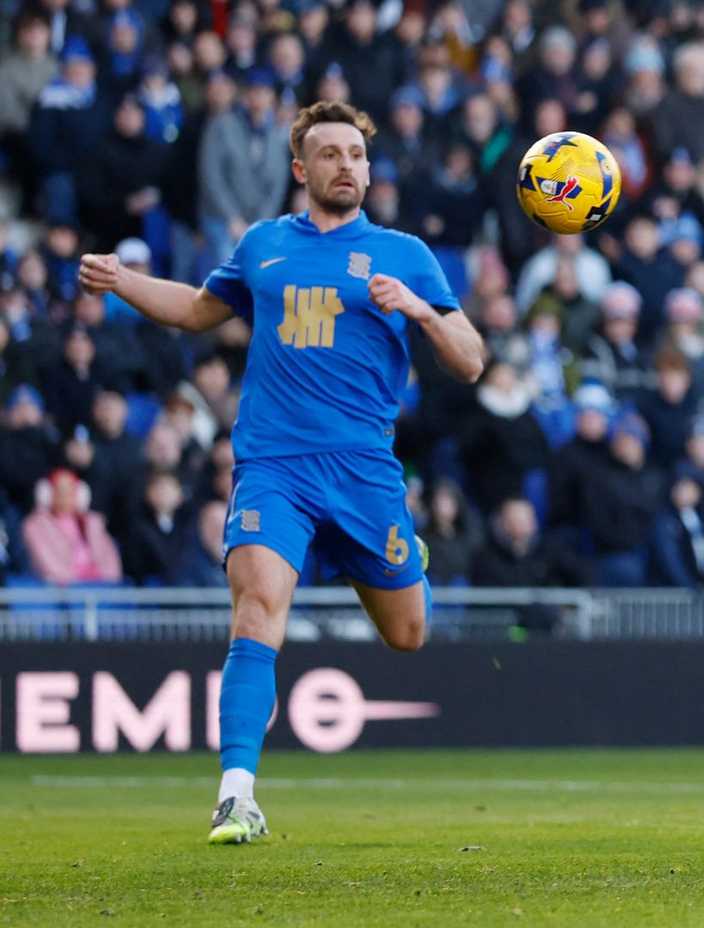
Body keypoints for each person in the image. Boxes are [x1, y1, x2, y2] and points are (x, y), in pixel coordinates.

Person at [78, 101, 485, 843]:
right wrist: (122, 281)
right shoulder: (263, 244)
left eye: (357, 155)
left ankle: (405, 560)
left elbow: (470, 360)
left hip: (363, 471)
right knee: (257, 613)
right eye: (330, 154)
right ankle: (237, 796)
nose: (346, 166)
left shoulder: (404, 254)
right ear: (301, 169)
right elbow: (200, 310)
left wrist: (423, 313)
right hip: (274, 466)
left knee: (408, 633)